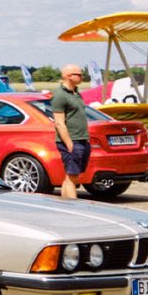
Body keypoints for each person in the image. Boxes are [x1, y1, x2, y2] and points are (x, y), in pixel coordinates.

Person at [45, 64, 89, 200]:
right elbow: (59, 122)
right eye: (78, 74)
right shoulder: (60, 95)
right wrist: (69, 144)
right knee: (72, 177)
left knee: (71, 177)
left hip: (81, 139)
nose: (81, 77)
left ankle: (64, 204)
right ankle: (74, 208)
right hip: (72, 140)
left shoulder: (76, 93)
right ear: (68, 76)